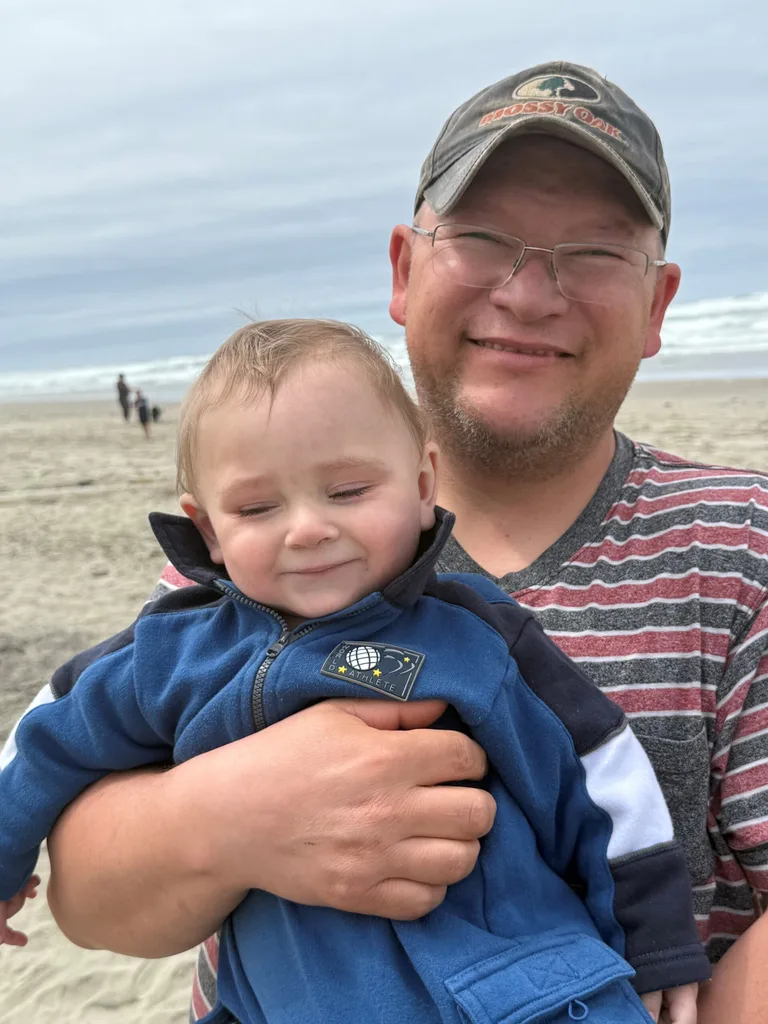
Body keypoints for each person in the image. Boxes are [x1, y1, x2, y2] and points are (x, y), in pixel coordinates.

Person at [6, 61, 768, 1022]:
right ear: (406, 270)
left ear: (658, 305)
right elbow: (96, 904)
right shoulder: (249, 576)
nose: (531, 295)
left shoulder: (743, 543)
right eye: (485, 240)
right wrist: (236, 817)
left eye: (595, 252)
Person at [0, 319, 706, 1023]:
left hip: (525, 995)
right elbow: (50, 731)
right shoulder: (175, 651)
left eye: (346, 492)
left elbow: (596, 771)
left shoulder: (476, 636)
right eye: (256, 507)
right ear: (208, 530)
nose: (307, 528)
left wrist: (654, 937)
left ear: (423, 483)